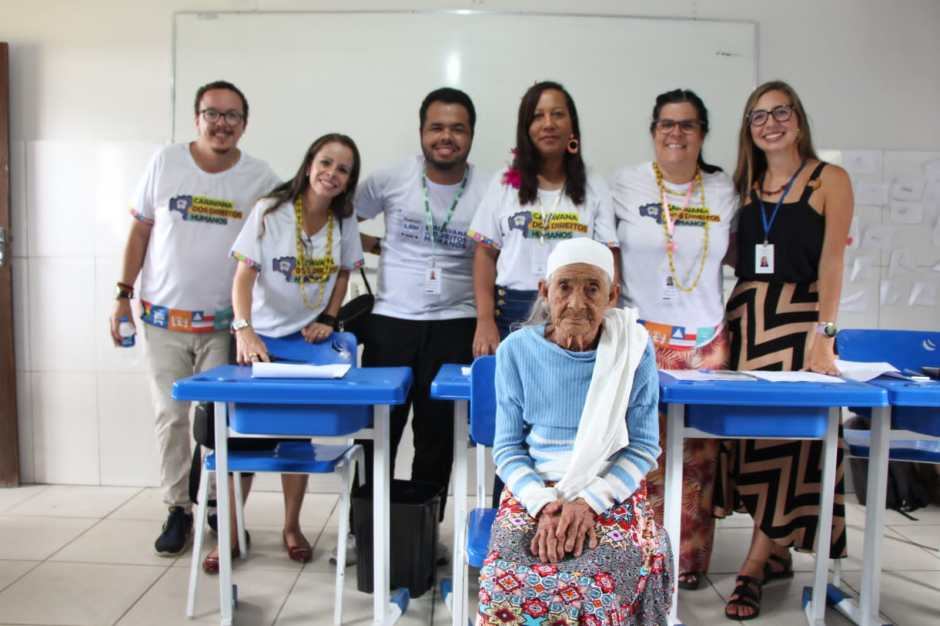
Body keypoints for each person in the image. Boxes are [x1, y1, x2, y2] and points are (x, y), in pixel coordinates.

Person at [109, 80, 280, 556]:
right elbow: (140, 231)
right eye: (212, 113)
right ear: (197, 118)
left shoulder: (260, 177)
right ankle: (177, 509)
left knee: (220, 421)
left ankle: (220, 508)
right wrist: (122, 295)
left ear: (245, 123)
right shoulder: (166, 162)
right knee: (170, 418)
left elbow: (294, 222)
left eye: (232, 115)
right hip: (163, 320)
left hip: (225, 326)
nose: (222, 123)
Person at [479, 238, 672, 626]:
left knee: (599, 582)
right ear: (545, 291)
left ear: (612, 295)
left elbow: (643, 447)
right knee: (504, 580)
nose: (577, 303)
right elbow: (508, 448)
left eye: (592, 289)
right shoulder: (516, 350)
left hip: (609, 489)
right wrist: (543, 504)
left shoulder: (633, 350)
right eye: (564, 287)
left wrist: (588, 503)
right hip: (535, 490)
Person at [718, 80, 853, 620]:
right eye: (758, 116)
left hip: (799, 322)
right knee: (748, 444)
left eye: (780, 112)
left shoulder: (829, 180)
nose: (770, 123)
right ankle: (773, 549)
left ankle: (751, 568)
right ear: (748, 128)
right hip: (746, 319)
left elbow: (833, 262)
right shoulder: (745, 185)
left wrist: (826, 333)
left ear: (798, 119)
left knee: (788, 445)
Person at [203, 133, 364, 573]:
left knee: (298, 440)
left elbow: (343, 274)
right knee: (244, 439)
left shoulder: (343, 219)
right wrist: (245, 330)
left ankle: (291, 527)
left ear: (350, 180)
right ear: (309, 164)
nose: (332, 174)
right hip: (259, 339)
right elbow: (243, 276)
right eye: (326, 163)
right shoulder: (270, 211)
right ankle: (231, 532)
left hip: (307, 343)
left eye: (343, 169)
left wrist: (329, 318)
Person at [610, 89, 739, 591]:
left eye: (687, 124)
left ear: (703, 133)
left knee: (696, 465)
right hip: (641, 340)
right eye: (667, 123)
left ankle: (687, 563)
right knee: (638, 456)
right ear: (653, 130)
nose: (676, 133)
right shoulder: (625, 183)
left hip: (705, 344)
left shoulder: (724, 189)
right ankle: (637, 559)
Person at [354, 88, 489, 543]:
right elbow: (338, 217)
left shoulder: (490, 188)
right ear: (421, 132)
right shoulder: (390, 178)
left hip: (457, 324)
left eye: (457, 128)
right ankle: (364, 533)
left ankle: (422, 535)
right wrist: (377, 246)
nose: (446, 137)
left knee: (438, 438)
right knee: (378, 431)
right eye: (437, 127)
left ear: (471, 135)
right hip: (391, 323)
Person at [469, 80, 618, 357]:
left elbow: (608, 257)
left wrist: (605, 316)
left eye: (557, 114)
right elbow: (484, 254)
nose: (548, 124)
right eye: (538, 116)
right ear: (526, 128)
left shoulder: (594, 185)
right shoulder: (503, 184)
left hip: (576, 309)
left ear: (572, 126)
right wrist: (484, 320)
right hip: (510, 311)